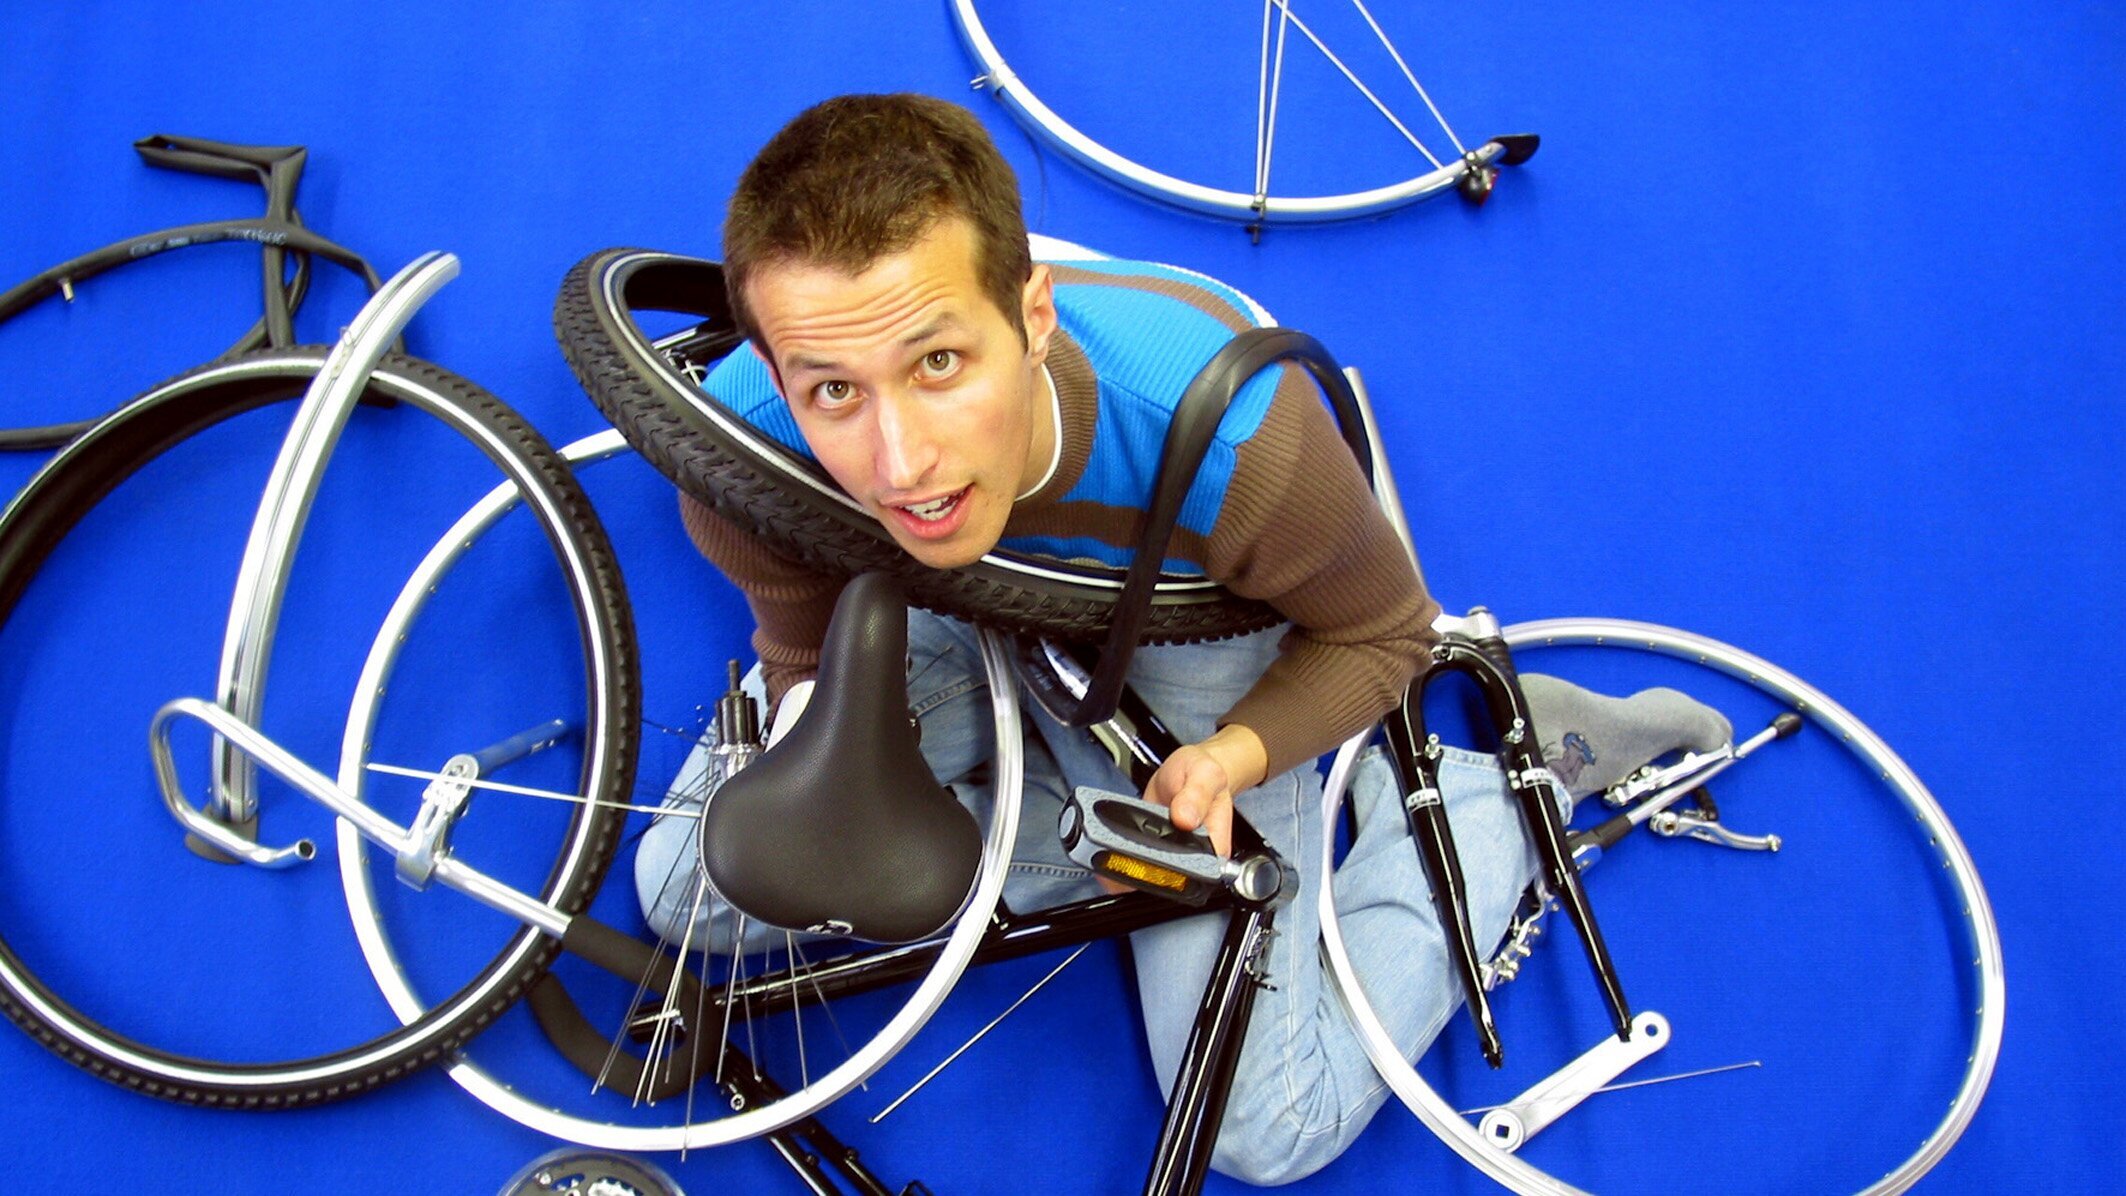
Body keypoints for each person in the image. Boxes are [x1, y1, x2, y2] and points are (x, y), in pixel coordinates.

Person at [633, 93, 1729, 1184]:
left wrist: (1233, 758)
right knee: (689, 886)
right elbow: (799, 638)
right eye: (834, 390)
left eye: (938, 365)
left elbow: (1384, 633)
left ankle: (1494, 802)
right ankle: (1067, 831)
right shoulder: (742, 443)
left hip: (1178, 620)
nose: (900, 460)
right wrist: (818, 727)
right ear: (777, 369)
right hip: (949, 603)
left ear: (1034, 315)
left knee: (1266, 1126)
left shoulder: (1238, 444)